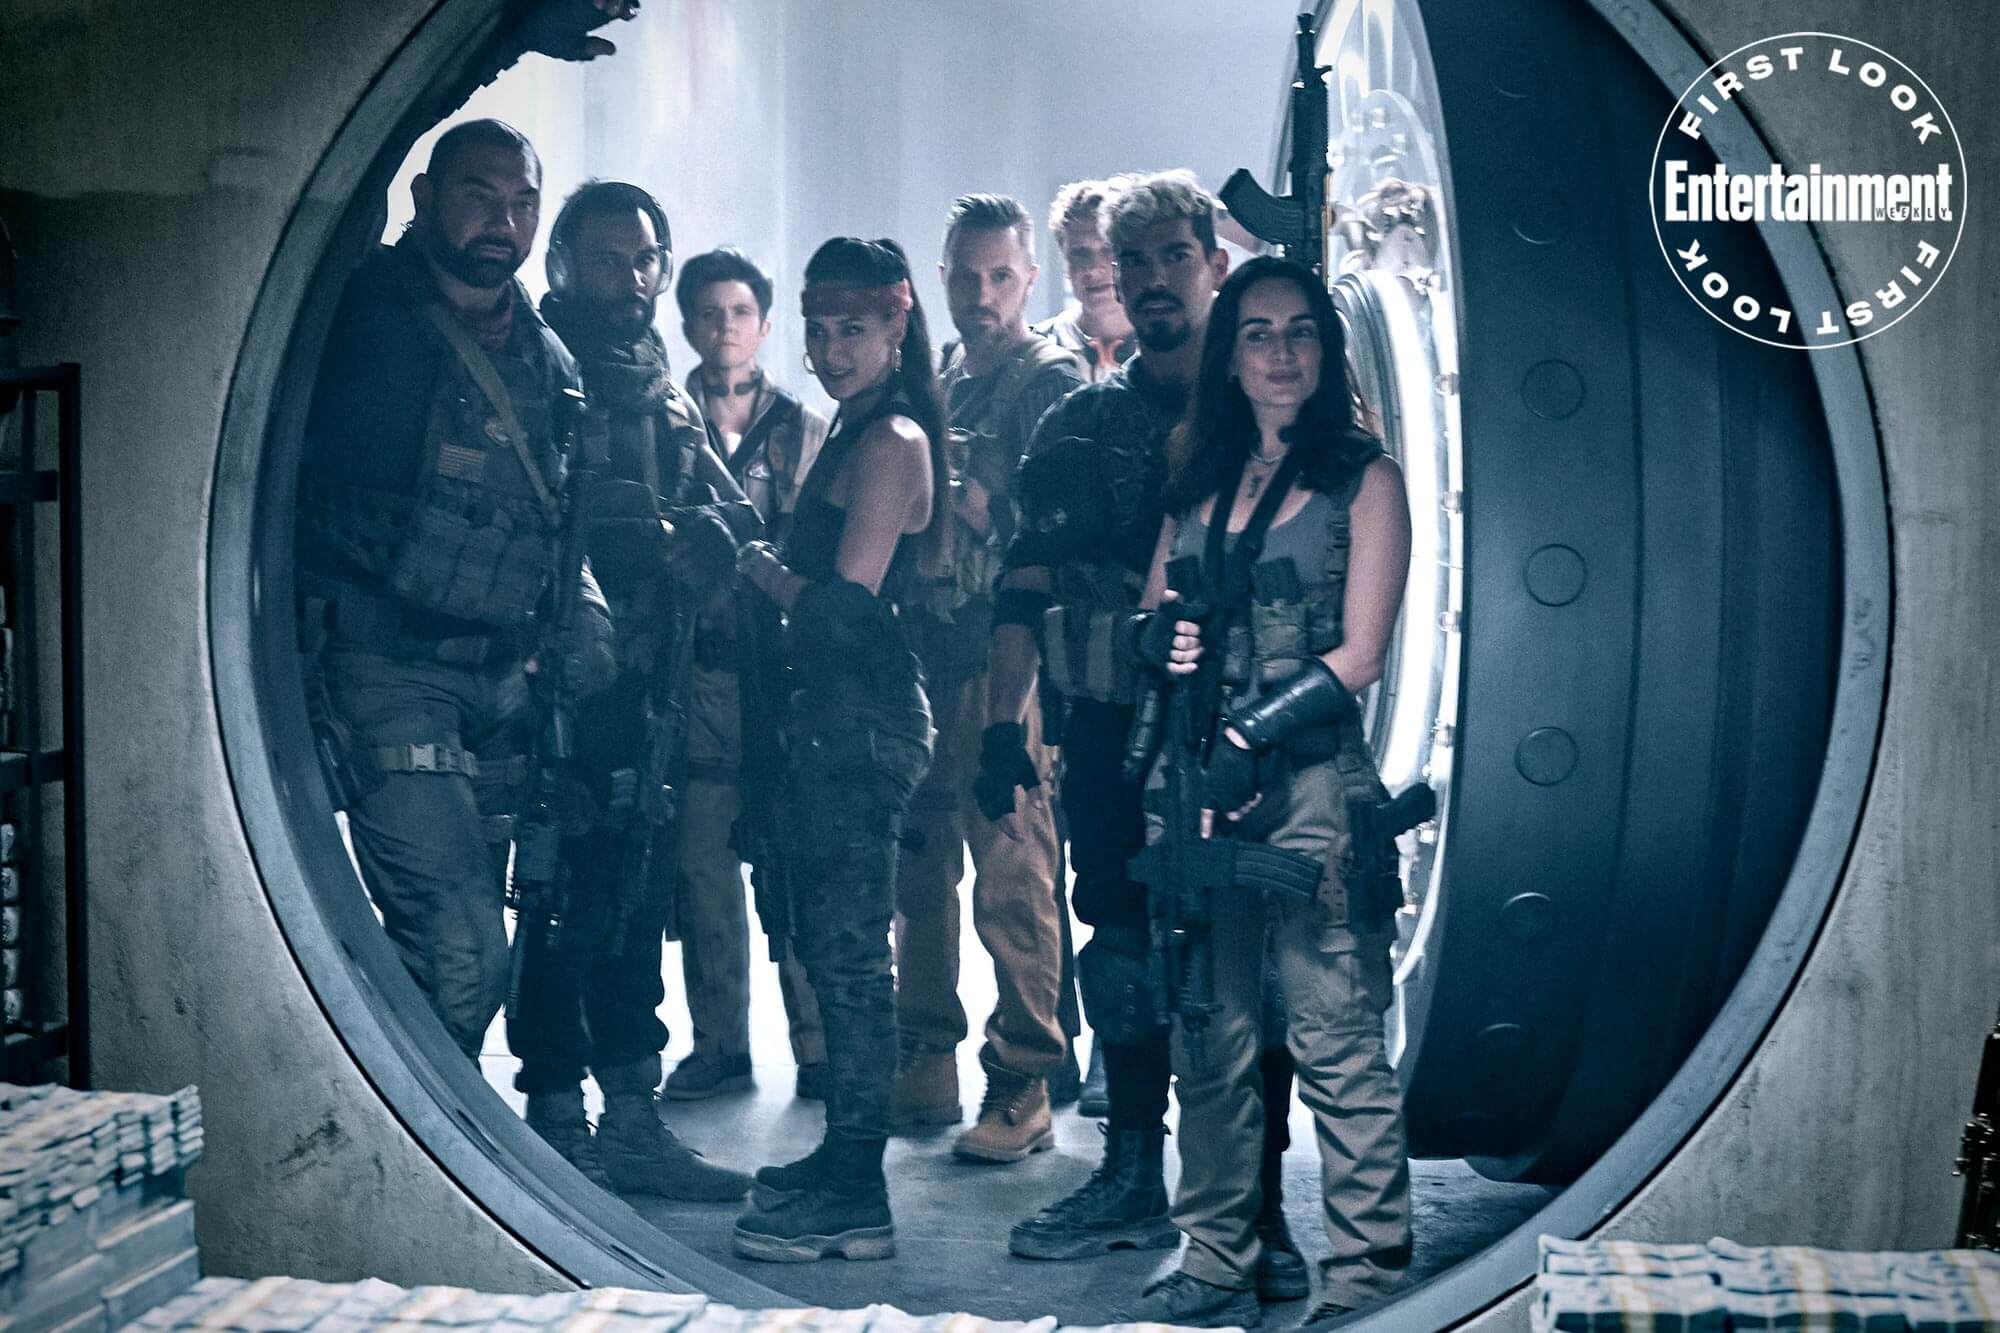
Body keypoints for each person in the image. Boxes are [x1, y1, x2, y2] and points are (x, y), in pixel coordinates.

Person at [985, 174, 1305, 1300]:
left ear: (1213, 266)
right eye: (1134, 262)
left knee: (1247, 966)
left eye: (1174, 256)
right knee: (1119, 949)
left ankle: (1259, 1208)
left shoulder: (1275, 408)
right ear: (1111, 279)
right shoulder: (1075, 424)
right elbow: (1022, 582)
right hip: (1108, 729)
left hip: (1243, 733)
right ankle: (1129, 1174)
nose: (1154, 279)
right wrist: (1000, 727)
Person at [1112, 256, 1413, 1328]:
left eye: (1299, 331)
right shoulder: (1198, 472)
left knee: (1335, 1037)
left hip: (1308, 786)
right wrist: (1159, 640)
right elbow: (1154, 606)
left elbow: (1361, 651)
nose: (1280, 352)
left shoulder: (1362, 477)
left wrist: (1250, 734)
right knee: (1210, 1034)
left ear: (1325, 348)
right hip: (1196, 784)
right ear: (1229, 356)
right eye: (1256, 332)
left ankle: (1367, 1279)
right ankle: (1214, 1255)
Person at [296, 120, 611, 1063]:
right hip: (386, 668)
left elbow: (559, 525)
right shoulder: (356, 318)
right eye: (479, 194)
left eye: (521, 202)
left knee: (465, 961)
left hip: (501, 689)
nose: (501, 221)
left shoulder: (548, 361)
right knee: (463, 956)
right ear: (426, 199)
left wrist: (585, 619)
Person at [493, 179, 753, 1201]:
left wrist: (706, 538)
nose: (631, 278)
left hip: (647, 691)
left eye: (645, 259)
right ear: (562, 265)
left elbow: (732, 509)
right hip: (553, 695)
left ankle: (633, 1118)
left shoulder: (660, 388)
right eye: (608, 259)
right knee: (556, 904)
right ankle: (558, 1118)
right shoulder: (533, 369)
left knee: (634, 901)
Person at [730, 237, 944, 1263]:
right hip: (833, 723)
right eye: (816, 332)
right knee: (831, 948)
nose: (829, 351)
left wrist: (755, 564)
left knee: (852, 961)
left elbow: (841, 611)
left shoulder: (891, 437)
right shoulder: (857, 430)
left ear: (897, 324)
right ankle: (842, 1158)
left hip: (862, 723)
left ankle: (858, 1189)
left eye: (851, 329)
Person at [888, 195, 1083, 1159]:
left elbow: (1065, 532)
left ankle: (1023, 1080)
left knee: (1012, 874)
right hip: (928, 656)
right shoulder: (941, 382)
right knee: (920, 869)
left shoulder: (1051, 383)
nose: (981, 295)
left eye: (1000, 276)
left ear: (1029, 279)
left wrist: (971, 502)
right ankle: (926, 1056)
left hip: (1009, 663)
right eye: (965, 276)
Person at [658, 247, 833, 1104]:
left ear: (764, 327)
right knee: (702, 867)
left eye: (739, 312)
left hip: (781, 675)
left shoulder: (805, 431)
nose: (724, 326)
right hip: (693, 671)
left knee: (792, 855)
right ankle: (720, 1044)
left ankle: (821, 1045)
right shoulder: (665, 423)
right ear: (688, 323)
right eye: (709, 311)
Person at [1032, 179, 1137, 384]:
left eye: (1108, 250)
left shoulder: (1175, 345)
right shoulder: (1038, 349)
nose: (1094, 269)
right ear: (1065, 261)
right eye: (1080, 253)